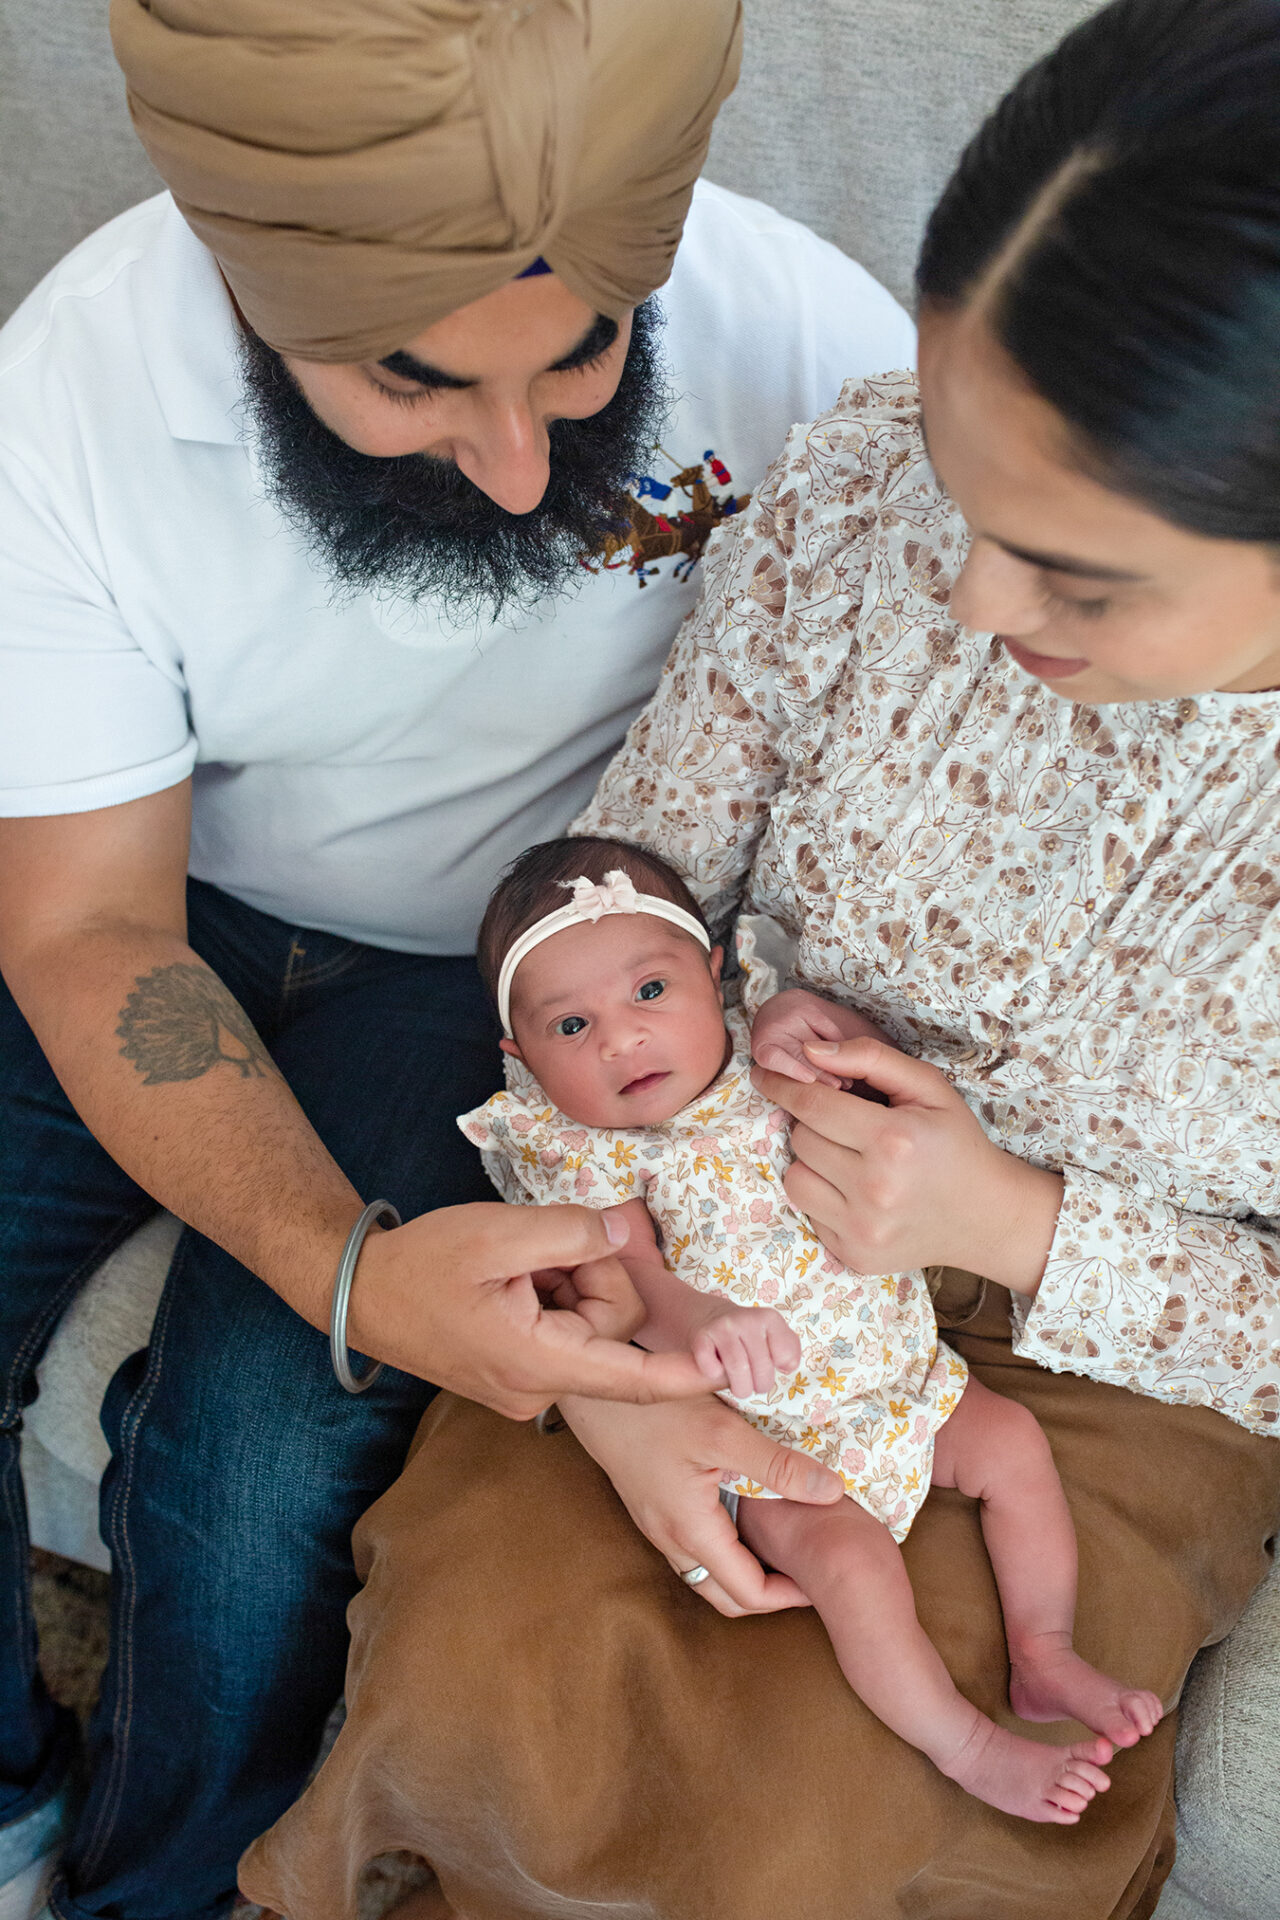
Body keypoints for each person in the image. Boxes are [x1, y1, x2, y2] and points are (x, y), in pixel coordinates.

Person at [237, 2, 1280, 1915]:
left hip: (1109, 1361)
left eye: (1076, 571)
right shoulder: (869, 483)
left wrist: (1008, 1219)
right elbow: (611, 916)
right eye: (960, 484)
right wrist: (626, 1386)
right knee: (486, 1690)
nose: (967, 595)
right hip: (698, 1230)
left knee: (829, 1828)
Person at [0, 1, 917, 1915]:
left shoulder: (811, 347)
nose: (516, 468)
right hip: (160, 897)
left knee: (255, 1456)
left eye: (583, 360)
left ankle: (160, 1892)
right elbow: (89, 924)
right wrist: (345, 1265)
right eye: (415, 382)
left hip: (506, 972)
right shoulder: (71, 393)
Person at [462, 835, 1163, 1822]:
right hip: (766, 1439)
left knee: (1012, 1445)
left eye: (651, 992)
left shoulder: (763, 1053)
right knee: (851, 1565)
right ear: (521, 1057)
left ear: (712, 975)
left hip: (898, 1374)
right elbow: (626, 1274)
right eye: (571, 1025)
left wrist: (819, 1024)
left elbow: (870, 1076)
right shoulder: (587, 1155)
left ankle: (1044, 1653)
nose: (622, 1039)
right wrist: (701, 1318)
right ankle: (964, 1746)